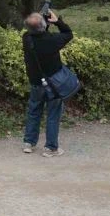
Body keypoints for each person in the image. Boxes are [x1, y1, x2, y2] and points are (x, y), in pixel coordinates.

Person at [22, 9, 73, 157]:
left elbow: (38, 33)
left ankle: (29, 143)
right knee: (53, 114)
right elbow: (68, 33)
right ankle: (51, 147)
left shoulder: (27, 38)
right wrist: (57, 21)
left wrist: (42, 22)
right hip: (54, 84)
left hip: (36, 83)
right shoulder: (52, 40)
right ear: (44, 26)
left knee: (34, 111)